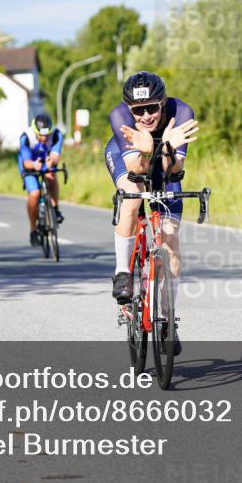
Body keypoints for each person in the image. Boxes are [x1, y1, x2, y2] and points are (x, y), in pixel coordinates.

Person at [105, 72, 199, 354]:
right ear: (129, 109)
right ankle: (123, 272)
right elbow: (137, 169)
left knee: (170, 240)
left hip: (165, 162)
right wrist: (146, 149)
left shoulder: (182, 113)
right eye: (138, 111)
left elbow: (174, 170)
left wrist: (167, 147)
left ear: (163, 102)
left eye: (152, 108)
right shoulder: (120, 116)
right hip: (131, 158)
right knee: (132, 197)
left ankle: (168, 319)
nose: (146, 116)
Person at [18, 113, 65, 245]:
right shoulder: (25, 137)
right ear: (34, 131)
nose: (44, 138)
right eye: (41, 135)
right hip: (30, 164)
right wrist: (34, 165)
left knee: (51, 176)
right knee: (35, 194)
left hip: (46, 160)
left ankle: (55, 208)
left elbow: (55, 155)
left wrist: (51, 162)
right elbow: (26, 162)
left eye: (47, 135)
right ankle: (33, 230)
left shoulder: (56, 135)